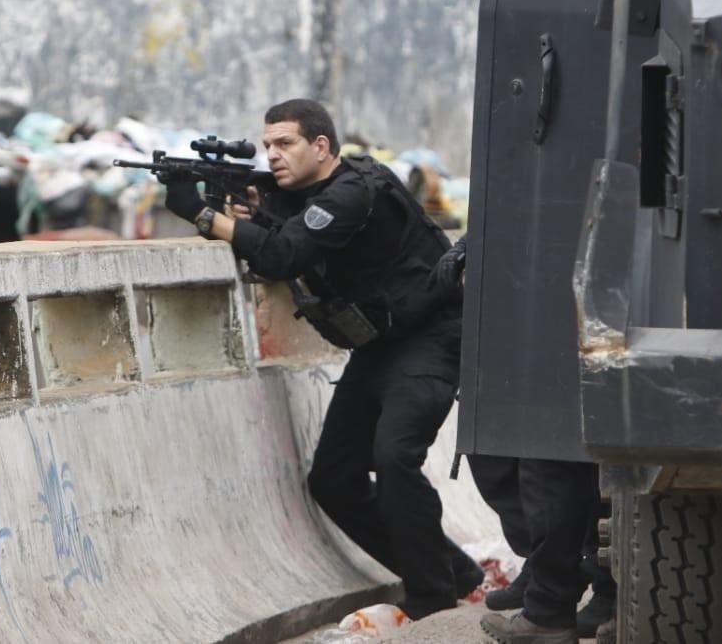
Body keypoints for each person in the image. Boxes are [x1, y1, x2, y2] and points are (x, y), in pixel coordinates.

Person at [163, 98, 484, 619]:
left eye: (285, 143)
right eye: (267, 145)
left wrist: (203, 214)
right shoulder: (301, 196)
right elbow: (280, 238)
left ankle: (433, 600)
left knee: (394, 456)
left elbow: (281, 256)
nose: (273, 155)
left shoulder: (354, 190)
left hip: (432, 335)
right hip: (379, 343)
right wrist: (243, 209)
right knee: (333, 479)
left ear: (321, 145)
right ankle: (454, 572)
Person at [432, 235, 616, 644]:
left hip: (595, 298)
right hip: (530, 302)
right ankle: (550, 579)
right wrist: (472, 244)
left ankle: (587, 592)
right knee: (507, 457)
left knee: (563, 463)